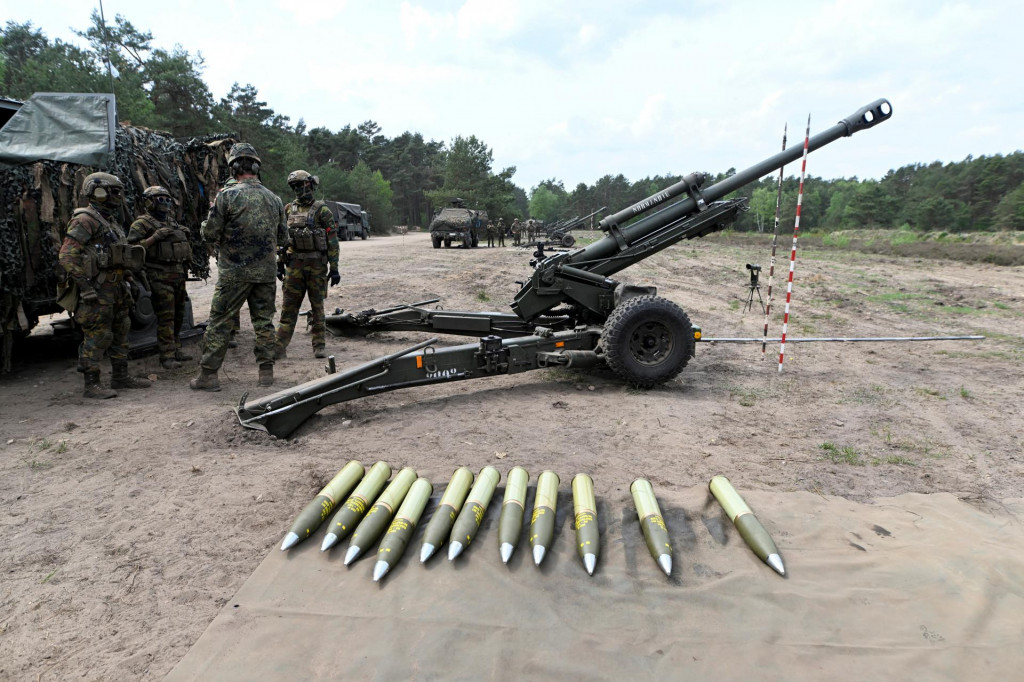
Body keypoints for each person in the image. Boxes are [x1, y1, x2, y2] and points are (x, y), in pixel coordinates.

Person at [190, 143, 287, 391]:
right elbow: (284, 239)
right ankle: (266, 372)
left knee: (220, 322)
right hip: (265, 274)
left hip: (234, 273)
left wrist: (206, 224)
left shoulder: (227, 196)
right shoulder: (275, 199)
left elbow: (209, 234)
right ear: (256, 167)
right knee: (264, 323)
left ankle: (208, 376)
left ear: (234, 168)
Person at [58, 172, 151, 398]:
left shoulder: (109, 221)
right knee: (98, 335)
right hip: (98, 290)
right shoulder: (85, 219)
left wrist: (129, 279)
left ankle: (120, 377)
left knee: (121, 330)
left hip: (116, 288)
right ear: (97, 192)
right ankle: (92, 384)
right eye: (113, 191)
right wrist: (86, 287)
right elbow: (67, 256)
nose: (118, 196)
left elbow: (118, 254)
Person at [275, 170, 339, 359]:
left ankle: (319, 345)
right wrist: (280, 263)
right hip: (294, 266)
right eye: (293, 186)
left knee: (317, 307)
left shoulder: (322, 211)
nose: (297, 189)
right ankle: (279, 346)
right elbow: (283, 239)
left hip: (316, 266)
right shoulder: (288, 210)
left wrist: (334, 268)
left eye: (299, 185)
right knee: (288, 307)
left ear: (309, 185)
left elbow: (332, 241)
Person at [128, 186, 193, 369]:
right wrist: (153, 238)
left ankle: (176, 348)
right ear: (149, 202)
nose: (164, 203)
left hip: (178, 275)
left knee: (179, 314)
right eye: (159, 199)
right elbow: (131, 250)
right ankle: (167, 356)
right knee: (166, 316)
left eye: (166, 199)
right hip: (158, 276)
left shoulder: (172, 222)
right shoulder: (141, 224)